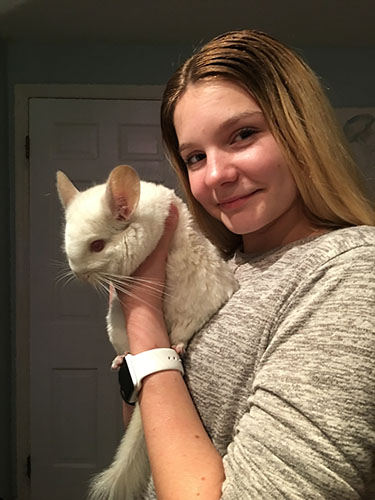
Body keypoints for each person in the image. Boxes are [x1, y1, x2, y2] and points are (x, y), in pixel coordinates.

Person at [118, 30, 375, 499]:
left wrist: (144, 322)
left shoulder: (351, 274)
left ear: (302, 131)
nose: (215, 175)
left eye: (243, 134)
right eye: (195, 156)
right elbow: (153, 432)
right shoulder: (226, 267)